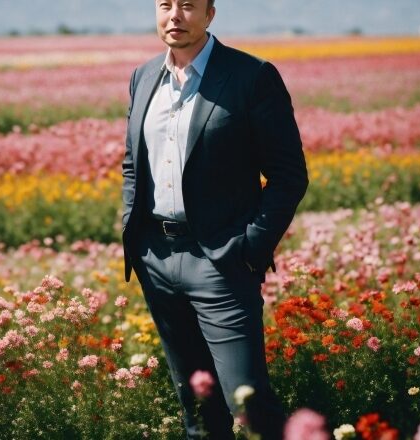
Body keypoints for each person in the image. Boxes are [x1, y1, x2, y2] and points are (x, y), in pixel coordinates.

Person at [121, 0, 308, 438]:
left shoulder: (251, 76)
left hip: (221, 262)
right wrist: (137, 239)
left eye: (188, 5)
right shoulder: (144, 76)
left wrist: (250, 247)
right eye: (165, 5)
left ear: (210, 14)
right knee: (197, 408)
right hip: (157, 259)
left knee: (248, 401)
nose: (175, 16)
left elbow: (288, 174)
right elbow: (134, 162)